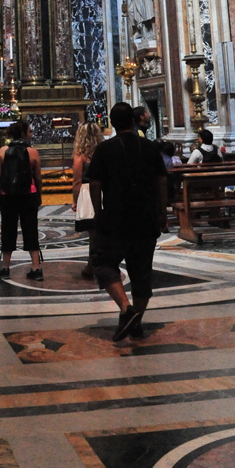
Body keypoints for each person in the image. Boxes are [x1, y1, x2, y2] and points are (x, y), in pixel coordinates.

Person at [88, 103, 168, 342]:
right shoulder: (150, 147)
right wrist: (162, 210)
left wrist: (97, 211)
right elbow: (162, 180)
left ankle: (127, 309)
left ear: (112, 123)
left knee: (103, 263)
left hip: (115, 216)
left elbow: (95, 184)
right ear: (133, 122)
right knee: (142, 271)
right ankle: (137, 323)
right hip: (145, 215)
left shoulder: (104, 149)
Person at [0, 120, 43, 281]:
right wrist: (39, 195)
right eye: (29, 132)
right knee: (31, 229)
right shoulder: (33, 152)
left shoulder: (3, 151)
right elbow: (37, 177)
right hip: (28, 195)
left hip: (8, 195)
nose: (31, 134)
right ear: (23, 134)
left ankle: (5, 267)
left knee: (7, 230)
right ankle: (36, 268)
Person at [72, 121, 104, 280]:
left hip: (87, 192)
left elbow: (77, 181)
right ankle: (98, 264)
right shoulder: (105, 152)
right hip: (105, 191)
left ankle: (92, 265)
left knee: (93, 233)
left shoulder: (80, 156)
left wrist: (75, 201)